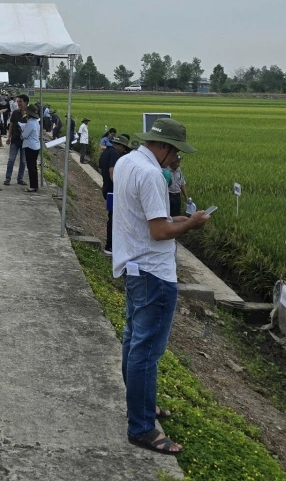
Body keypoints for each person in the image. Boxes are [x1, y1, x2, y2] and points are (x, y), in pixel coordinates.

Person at [113, 117, 210, 454]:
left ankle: (140, 404)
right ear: (165, 147)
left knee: (133, 341)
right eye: (176, 154)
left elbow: (147, 219)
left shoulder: (127, 162)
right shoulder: (153, 174)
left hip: (133, 265)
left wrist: (176, 220)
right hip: (154, 273)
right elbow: (159, 232)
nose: (177, 161)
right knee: (146, 351)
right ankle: (141, 428)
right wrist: (192, 224)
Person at [98, 133, 130, 254]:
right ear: (120, 146)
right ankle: (110, 246)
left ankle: (111, 245)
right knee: (114, 218)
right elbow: (112, 171)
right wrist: (119, 186)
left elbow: (101, 169)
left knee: (112, 217)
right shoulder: (115, 154)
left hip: (106, 188)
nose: (124, 150)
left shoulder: (105, 152)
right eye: (124, 148)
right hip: (113, 190)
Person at [4, 93, 29, 185]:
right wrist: (9, 137)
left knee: (23, 161)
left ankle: (20, 178)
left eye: (20, 102)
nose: (19, 103)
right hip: (15, 139)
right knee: (11, 159)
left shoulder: (30, 114)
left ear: (25, 103)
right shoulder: (15, 113)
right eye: (18, 101)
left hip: (25, 141)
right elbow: (11, 125)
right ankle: (8, 178)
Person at [19, 103, 42, 191]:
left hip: (30, 146)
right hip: (36, 146)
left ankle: (33, 186)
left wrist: (21, 131)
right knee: (34, 166)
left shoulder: (30, 123)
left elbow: (24, 135)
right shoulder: (36, 122)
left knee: (31, 167)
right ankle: (35, 185)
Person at [164, 152, 188, 217]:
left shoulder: (178, 170)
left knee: (176, 216)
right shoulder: (165, 171)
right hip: (168, 196)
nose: (179, 164)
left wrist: (186, 197)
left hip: (177, 196)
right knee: (167, 216)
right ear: (172, 162)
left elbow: (182, 183)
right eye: (177, 162)